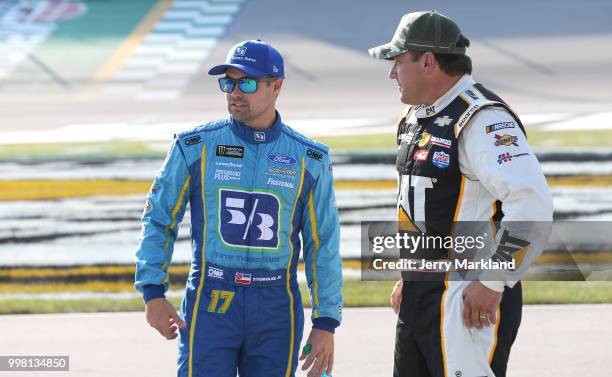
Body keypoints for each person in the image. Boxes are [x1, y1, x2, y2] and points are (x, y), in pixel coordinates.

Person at [134, 39, 342, 377]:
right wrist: (152, 292)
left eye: (247, 82)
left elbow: (324, 244)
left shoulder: (310, 159)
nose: (235, 92)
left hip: (277, 304)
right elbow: (158, 220)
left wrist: (326, 321)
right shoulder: (194, 146)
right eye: (227, 82)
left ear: (276, 87)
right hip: (211, 298)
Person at [368, 10, 553, 377]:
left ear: (428, 61)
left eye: (397, 61)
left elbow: (533, 204)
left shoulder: (482, 119)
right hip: (421, 292)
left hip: (465, 297)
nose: (391, 73)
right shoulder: (415, 117)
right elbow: (423, 207)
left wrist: (493, 280)